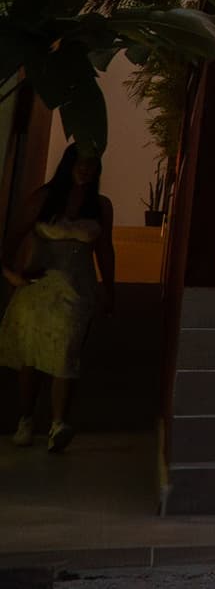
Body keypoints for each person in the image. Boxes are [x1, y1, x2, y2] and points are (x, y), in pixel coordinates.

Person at [1, 145, 115, 452]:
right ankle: (26, 419)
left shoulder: (100, 205)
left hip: (77, 288)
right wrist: (11, 275)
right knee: (32, 355)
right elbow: (13, 237)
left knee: (66, 351)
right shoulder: (44, 198)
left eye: (92, 163)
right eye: (80, 162)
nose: (85, 168)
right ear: (68, 164)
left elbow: (105, 249)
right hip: (39, 285)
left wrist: (109, 289)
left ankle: (58, 422)